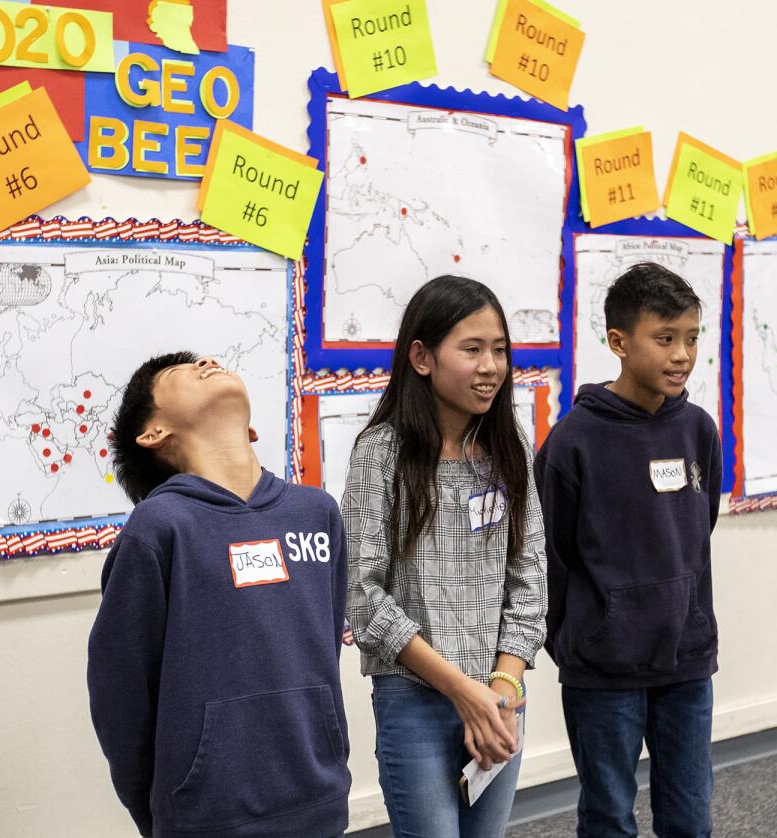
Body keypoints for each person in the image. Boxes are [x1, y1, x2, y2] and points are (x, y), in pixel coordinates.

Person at [88, 352, 351, 838]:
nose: (207, 361)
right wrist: (162, 810)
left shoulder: (317, 513)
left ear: (250, 430)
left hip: (318, 799)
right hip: (207, 816)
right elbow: (120, 695)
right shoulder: (159, 528)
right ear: (152, 434)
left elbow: (323, 650)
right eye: (177, 373)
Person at [342, 276, 548, 838]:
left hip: (501, 697)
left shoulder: (510, 447)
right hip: (416, 699)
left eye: (500, 349)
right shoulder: (380, 453)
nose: (491, 366)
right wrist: (463, 692)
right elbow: (362, 595)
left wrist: (503, 690)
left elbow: (529, 576)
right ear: (422, 357)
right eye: (473, 348)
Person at [535, 262, 722, 838]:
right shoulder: (572, 443)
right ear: (619, 342)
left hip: (686, 660)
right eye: (664, 338)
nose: (681, 354)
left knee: (690, 819)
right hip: (604, 667)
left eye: (691, 338)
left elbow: (699, 525)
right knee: (609, 816)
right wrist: (582, 640)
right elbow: (553, 556)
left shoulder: (698, 430)